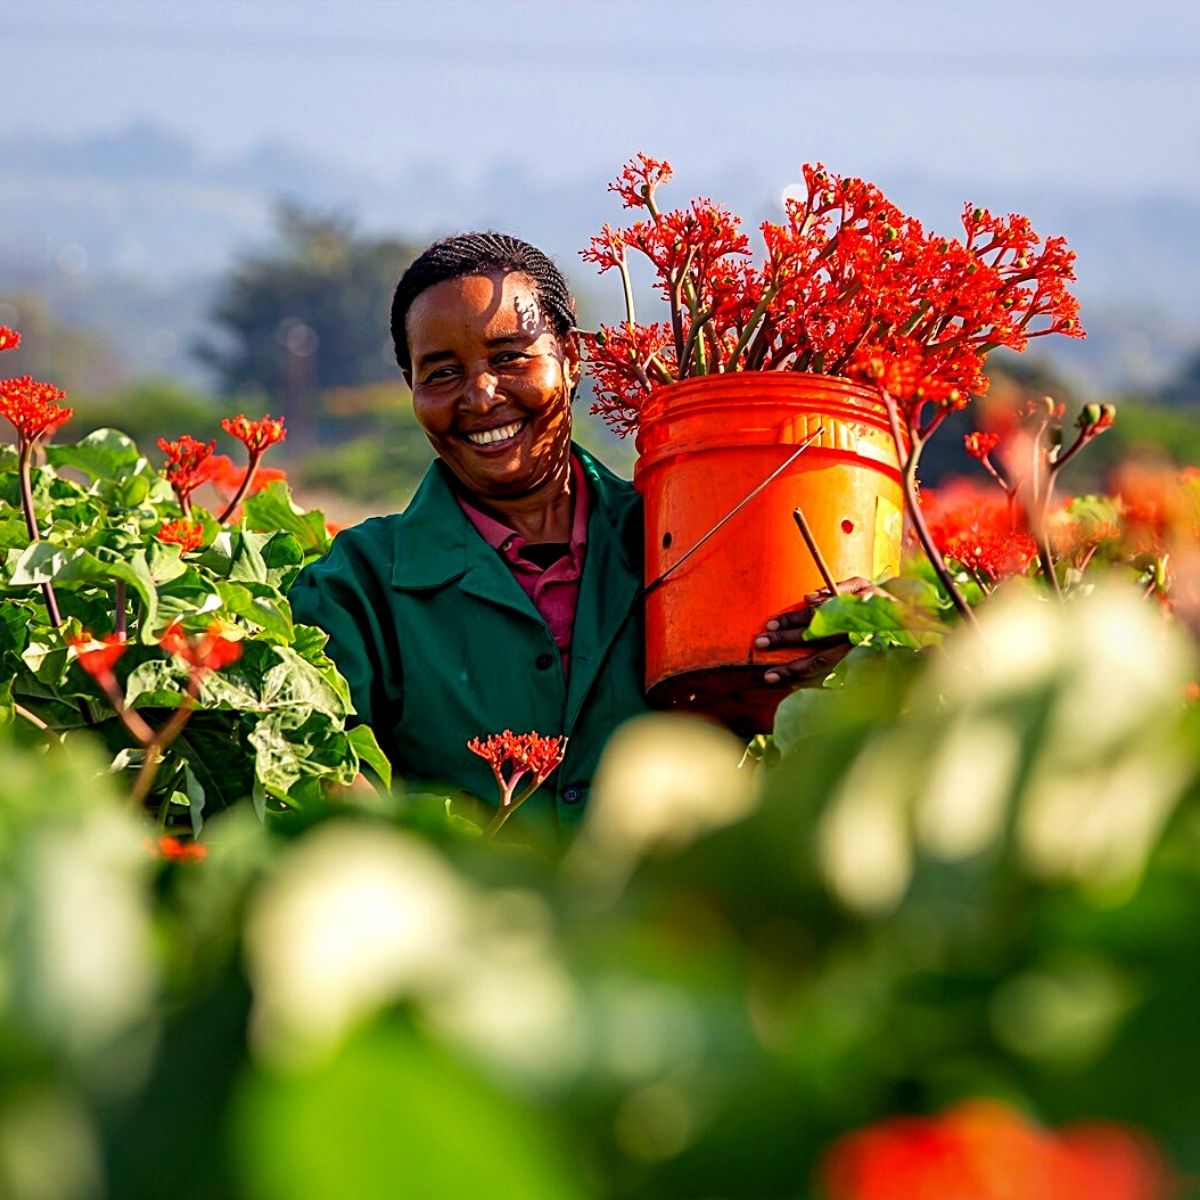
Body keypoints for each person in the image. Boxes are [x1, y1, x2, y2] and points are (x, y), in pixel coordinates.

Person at [288, 232, 851, 836]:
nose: (480, 396)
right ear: (413, 390)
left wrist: (849, 647)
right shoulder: (357, 586)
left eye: (510, 357)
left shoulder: (693, 539)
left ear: (571, 355)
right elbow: (333, 791)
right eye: (443, 372)